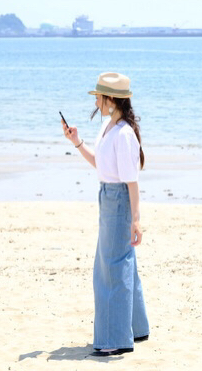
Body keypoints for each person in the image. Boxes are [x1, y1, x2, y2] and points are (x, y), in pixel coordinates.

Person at [62, 72, 150, 357]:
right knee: (121, 263)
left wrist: (136, 219)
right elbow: (101, 166)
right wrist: (77, 142)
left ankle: (115, 338)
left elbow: (131, 182)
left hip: (118, 200)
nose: (97, 102)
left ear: (111, 100)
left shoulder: (123, 133)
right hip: (108, 196)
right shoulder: (109, 128)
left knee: (111, 267)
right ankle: (135, 329)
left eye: (99, 97)